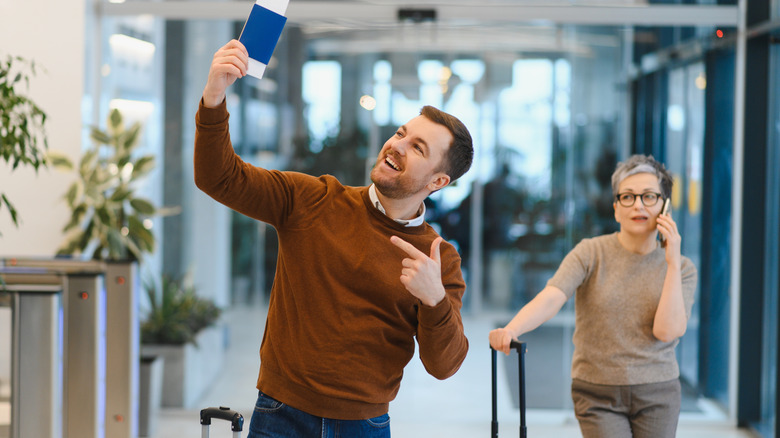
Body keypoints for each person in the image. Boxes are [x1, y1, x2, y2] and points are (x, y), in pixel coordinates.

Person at [194, 39, 473, 437]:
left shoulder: (437, 259)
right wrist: (214, 97)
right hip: (279, 415)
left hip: (365, 426)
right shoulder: (313, 200)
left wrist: (434, 300)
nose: (396, 145)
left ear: (438, 180)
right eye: (400, 132)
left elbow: (444, 365)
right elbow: (218, 178)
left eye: (417, 147)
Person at [489, 154, 697, 438]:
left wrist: (671, 262)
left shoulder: (682, 268)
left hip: (658, 393)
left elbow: (667, 330)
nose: (638, 204)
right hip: (597, 393)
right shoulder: (590, 252)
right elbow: (553, 295)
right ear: (615, 208)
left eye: (649, 196)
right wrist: (513, 328)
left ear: (665, 206)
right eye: (628, 197)